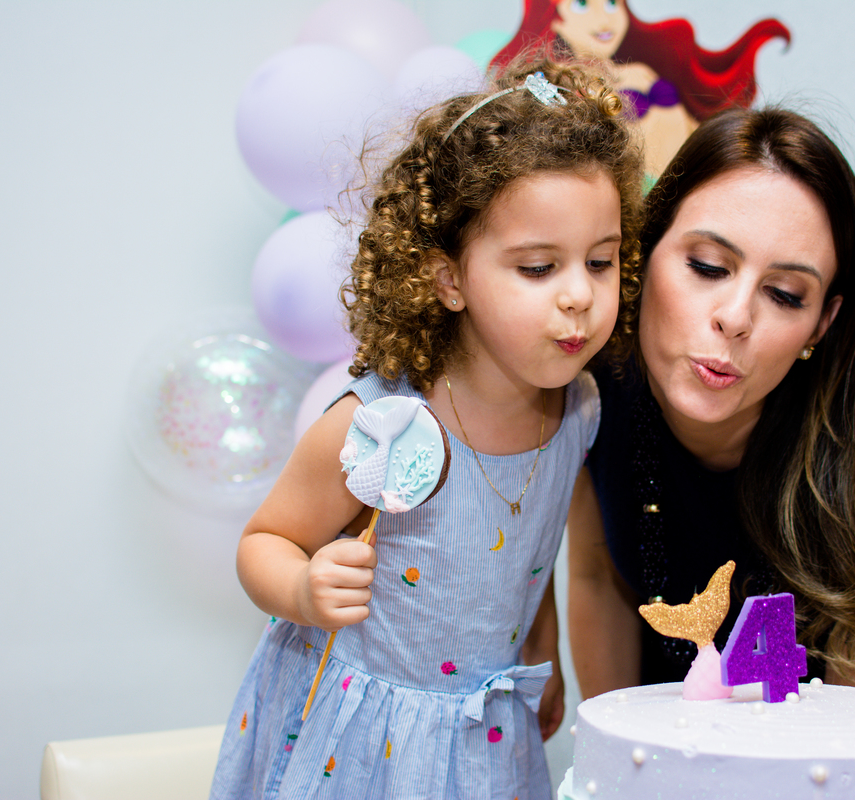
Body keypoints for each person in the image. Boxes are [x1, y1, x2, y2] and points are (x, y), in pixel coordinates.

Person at [210, 59, 644, 800]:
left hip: (481, 734)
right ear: (448, 279)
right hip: (357, 742)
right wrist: (306, 589)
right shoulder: (378, 423)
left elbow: (523, 544)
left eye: (600, 262)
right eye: (538, 267)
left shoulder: (579, 411)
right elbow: (263, 543)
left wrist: (543, 642)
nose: (579, 294)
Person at [566, 106, 855, 787]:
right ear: (644, 252)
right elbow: (598, 578)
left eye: (783, 293)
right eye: (709, 266)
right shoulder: (593, 394)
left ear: (820, 325)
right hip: (685, 713)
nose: (736, 317)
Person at [493, 0, 789, 178]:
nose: (604, 18)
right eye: (582, 4)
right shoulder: (560, 90)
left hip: (678, 193)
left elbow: (690, 130)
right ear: (554, 17)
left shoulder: (641, 72)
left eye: (612, 3)